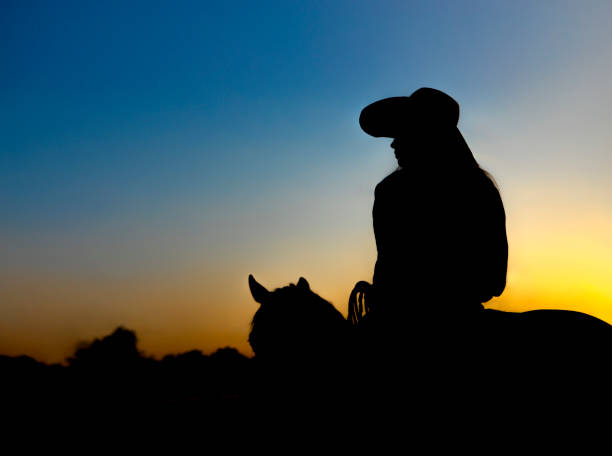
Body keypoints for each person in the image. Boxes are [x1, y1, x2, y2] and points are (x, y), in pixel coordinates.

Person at [358, 88, 508, 332]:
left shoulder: (390, 191)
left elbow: (387, 271)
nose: (394, 143)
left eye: (403, 133)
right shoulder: (480, 188)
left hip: (403, 322)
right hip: (463, 319)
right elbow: (493, 281)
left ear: (425, 135)